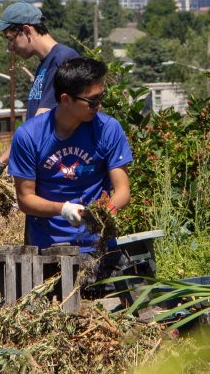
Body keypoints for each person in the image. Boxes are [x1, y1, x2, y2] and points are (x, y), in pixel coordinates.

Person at [8, 57, 131, 252]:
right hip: (47, 247)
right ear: (66, 99)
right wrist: (62, 209)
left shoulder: (107, 129)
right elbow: (25, 199)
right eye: (92, 101)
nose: (98, 106)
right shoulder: (29, 136)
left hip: (98, 245)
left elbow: (123, 191)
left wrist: (101, 214)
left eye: (101, 97)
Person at [0, 1, 78, 185]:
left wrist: (1, 162)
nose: (10, 47)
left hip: (61, 173)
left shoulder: (63, 60)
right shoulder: (45, 64)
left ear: (27, 31)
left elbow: (39, 124)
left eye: (10, 39)